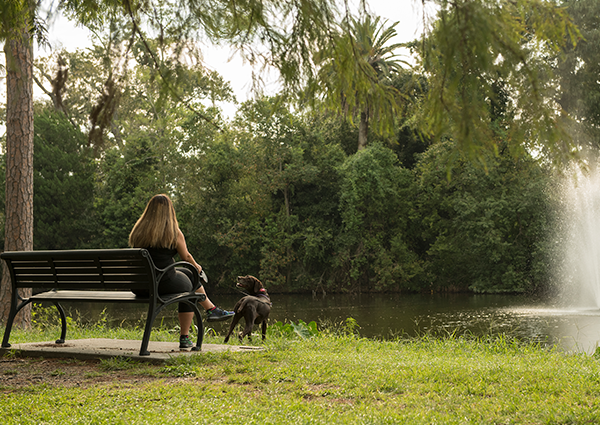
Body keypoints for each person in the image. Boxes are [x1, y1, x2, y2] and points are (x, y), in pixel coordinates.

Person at [129, 194, 234, 349]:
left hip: (139, 285)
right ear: (169, 211)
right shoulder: (173, 232)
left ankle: (212, 309)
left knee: (187, 272)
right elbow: (186, 256)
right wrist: (196, 265)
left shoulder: (138, 231)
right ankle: (188, 334)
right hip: (161, 283)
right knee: (191, 279)